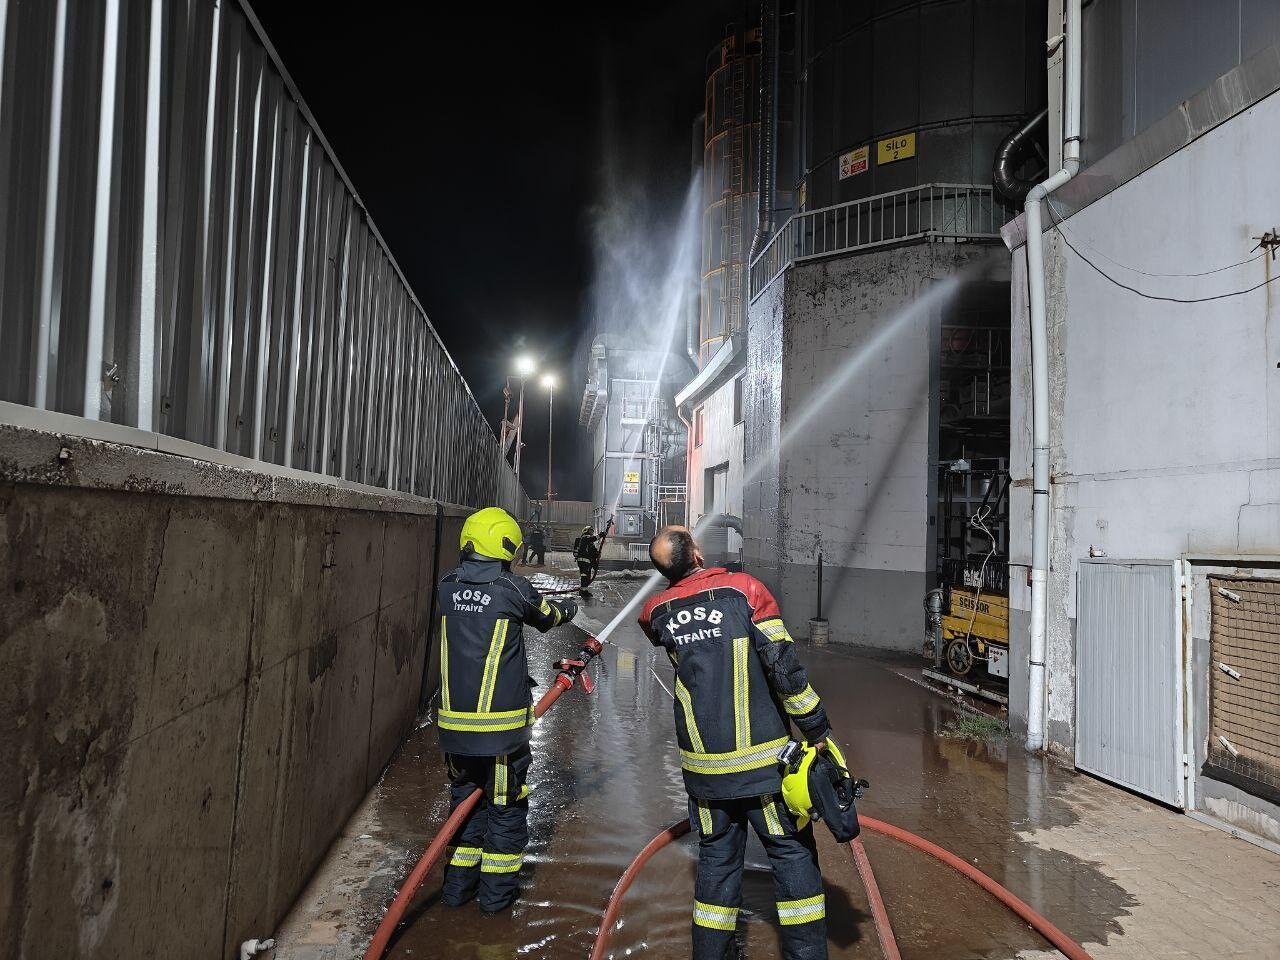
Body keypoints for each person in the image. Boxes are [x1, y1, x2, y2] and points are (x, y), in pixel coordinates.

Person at [638, 526, 831, 960]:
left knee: (716, 864)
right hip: (766, 768)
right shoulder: (746, 591)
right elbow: (784, 668)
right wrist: (817, 729)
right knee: (791, 855)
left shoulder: (657, 612)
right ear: (698, 553)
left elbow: (659, 625)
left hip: (706, 774)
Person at [437, 507, 577, 912]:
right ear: (505, 545)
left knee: (465, 805)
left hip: (453, 730)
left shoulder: (446, 585)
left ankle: (456, 895)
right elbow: (548, 617)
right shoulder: (512, 589)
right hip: (500, 732)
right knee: (505, 810)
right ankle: (495, 906)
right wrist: (569, 608)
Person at [572, 524, 605, 594]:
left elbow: (592, 552)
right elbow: (593, 538)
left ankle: (584, 590)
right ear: (586, 531)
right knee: (584, 576)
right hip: (583, 561)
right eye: (590, 531)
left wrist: (597, 555)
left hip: (588, 562)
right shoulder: (584, 538)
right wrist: (600, 535)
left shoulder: (590, 542)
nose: (591, 532)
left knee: (588, 577)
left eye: (592, 531)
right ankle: (583, 592)